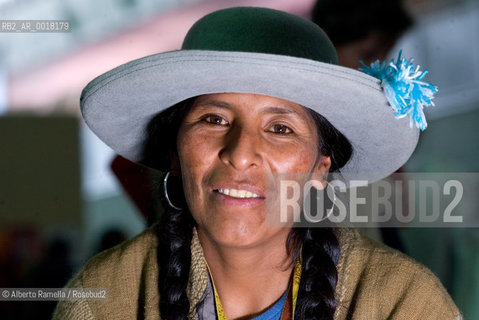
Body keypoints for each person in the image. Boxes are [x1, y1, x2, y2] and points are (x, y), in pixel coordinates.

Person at [53, 7, 461, 320]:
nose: (241, 153)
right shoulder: (104, 299)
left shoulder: (404, 302)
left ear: (320, 167)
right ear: (174, 155)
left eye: (280, 128)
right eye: (214, 120)